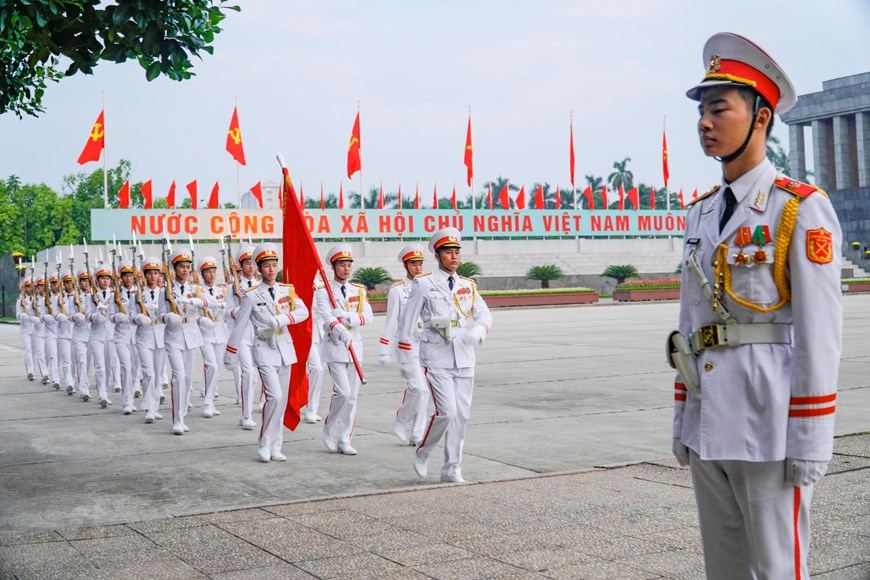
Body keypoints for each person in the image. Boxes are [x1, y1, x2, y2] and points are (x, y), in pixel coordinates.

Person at [671, 33, 842, 579]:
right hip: (709, 420)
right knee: (723, 570)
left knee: (778, 569)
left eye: (719, 108)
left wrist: (812, 437)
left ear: (761, 117)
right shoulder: (700, 215)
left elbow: (821, 334)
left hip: (770, 424)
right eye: (701, 110)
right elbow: (690, 327)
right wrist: (682, 417)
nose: (705, 122)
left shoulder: (798, 209)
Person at [397, 228, 492, 483]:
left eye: (456, 252)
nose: (454, 257)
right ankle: (423, 450)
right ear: (437, 256)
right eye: (448, 252)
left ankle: (452, 469)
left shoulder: (467, 285)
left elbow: (484, 314)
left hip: (464, 357)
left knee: (461, 417)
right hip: (436, 357)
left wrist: (479, 330)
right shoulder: (424, 283)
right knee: (446, 412)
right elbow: (407, 323)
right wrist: (406, 357)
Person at [224, 243, 308, 462]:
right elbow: (240, 325)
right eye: (266, 266)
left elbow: (303, 311)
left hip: (285, 349)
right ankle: (264, 440)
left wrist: (282, 319)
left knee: (282, 400)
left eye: (274, 265)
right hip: (264, 349)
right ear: (259, 269)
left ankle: (276, 444)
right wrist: (230, 353)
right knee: (274, 396)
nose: (271, 269)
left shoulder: (287, 291)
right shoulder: (251, 295)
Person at [316, 244, 373, 456]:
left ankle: (345, 438)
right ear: (334, 267)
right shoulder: (323, 291)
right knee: (343, 392)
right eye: (342, 265)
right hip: (335, 346)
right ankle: (329, 426)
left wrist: (348, 317)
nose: (346, 269)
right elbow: (326, 315)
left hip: (354, 347)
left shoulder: (358, 291)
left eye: (349, 265)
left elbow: (368, 316)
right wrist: (340, 328)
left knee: (353, 397)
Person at [380, 244, 429, 445]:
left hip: (426, 345)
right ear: (406, 266)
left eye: (420, 264)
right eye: (413, 264)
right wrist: (384, 350)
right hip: (407, 347)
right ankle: (401, 419)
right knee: (418, 389)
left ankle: (417, 434)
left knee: (424, 391)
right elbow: (391, 322)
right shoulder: (398, 291)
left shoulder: (427, 285)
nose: (418, 268)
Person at [159, 248, 209, 435]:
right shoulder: (166, 290)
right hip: (173, 337)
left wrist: (198, 302)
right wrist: (168, 317)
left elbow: (208, 301)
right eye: (182, 267)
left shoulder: (195, 289)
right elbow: (160, 314)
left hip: (191, 336)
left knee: (187, 379)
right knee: (178, 377)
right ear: (175, 269)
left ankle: (183, 413)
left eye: (188, 267)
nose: (186, 270)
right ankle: (177, 419)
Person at [227, 246, 260, 429]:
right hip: (242, 335)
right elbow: (227, 311)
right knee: (247, 372)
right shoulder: (234, 287)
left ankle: (257, 405)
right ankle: (246, 415)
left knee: (257, 375)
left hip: (259, 334)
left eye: (253, 264)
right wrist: (239, 311)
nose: (251, 267)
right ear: (241, 265)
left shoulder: (261, 285)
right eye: (247, 263)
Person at [131, 256, 166, 423]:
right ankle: (148, 408)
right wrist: (138, 317)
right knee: (148, 373)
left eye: (156, 273)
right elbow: (130, 314)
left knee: (158, 374)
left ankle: (155, 406)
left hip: (161, 336)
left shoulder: (165, 294)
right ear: (144, 275)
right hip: (144, 337)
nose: (153, 276)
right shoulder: (137, 294)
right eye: (150, 273)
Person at [196, 256, 228, 418]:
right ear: (202, 274)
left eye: (213, 271)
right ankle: (207, 403)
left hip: (219, 332)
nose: (211, 274)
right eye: (208, 271)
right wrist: (201, 320)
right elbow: (192, 312)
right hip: (205, 334)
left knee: (217, 369)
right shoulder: (197, 291)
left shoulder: (221, 291)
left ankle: (211, 402)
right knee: (212, 366)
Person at [88, 265, 115, 408]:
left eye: (107, 278)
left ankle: (105, 390)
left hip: (110, 334)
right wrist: (94, 316)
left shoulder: (115, 295)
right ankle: (102, 394)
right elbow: (86, 314)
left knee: (108, 365)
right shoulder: (90, 295)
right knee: (99, 365)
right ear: (97, 280)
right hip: (96, 335)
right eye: (102, 278)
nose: (105, 281)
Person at [302, 280, 325, 424]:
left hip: (322, 332)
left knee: (320, 371)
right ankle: (308, 409)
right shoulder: (299, 282)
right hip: (306, 333)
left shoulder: (323, 284)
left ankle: (312, 408)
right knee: (316, 368)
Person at [15, 278, 37, 381]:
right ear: (24, 288)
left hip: (35, 329)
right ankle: (30, 371)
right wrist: (25, 315)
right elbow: (17, 315)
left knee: (34, 351)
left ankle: (34, 369)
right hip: (25, 329)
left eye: (31, 286)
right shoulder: (20, 300)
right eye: (27, 287)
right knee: (28, 350)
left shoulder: (36, 298)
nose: (30, 288)